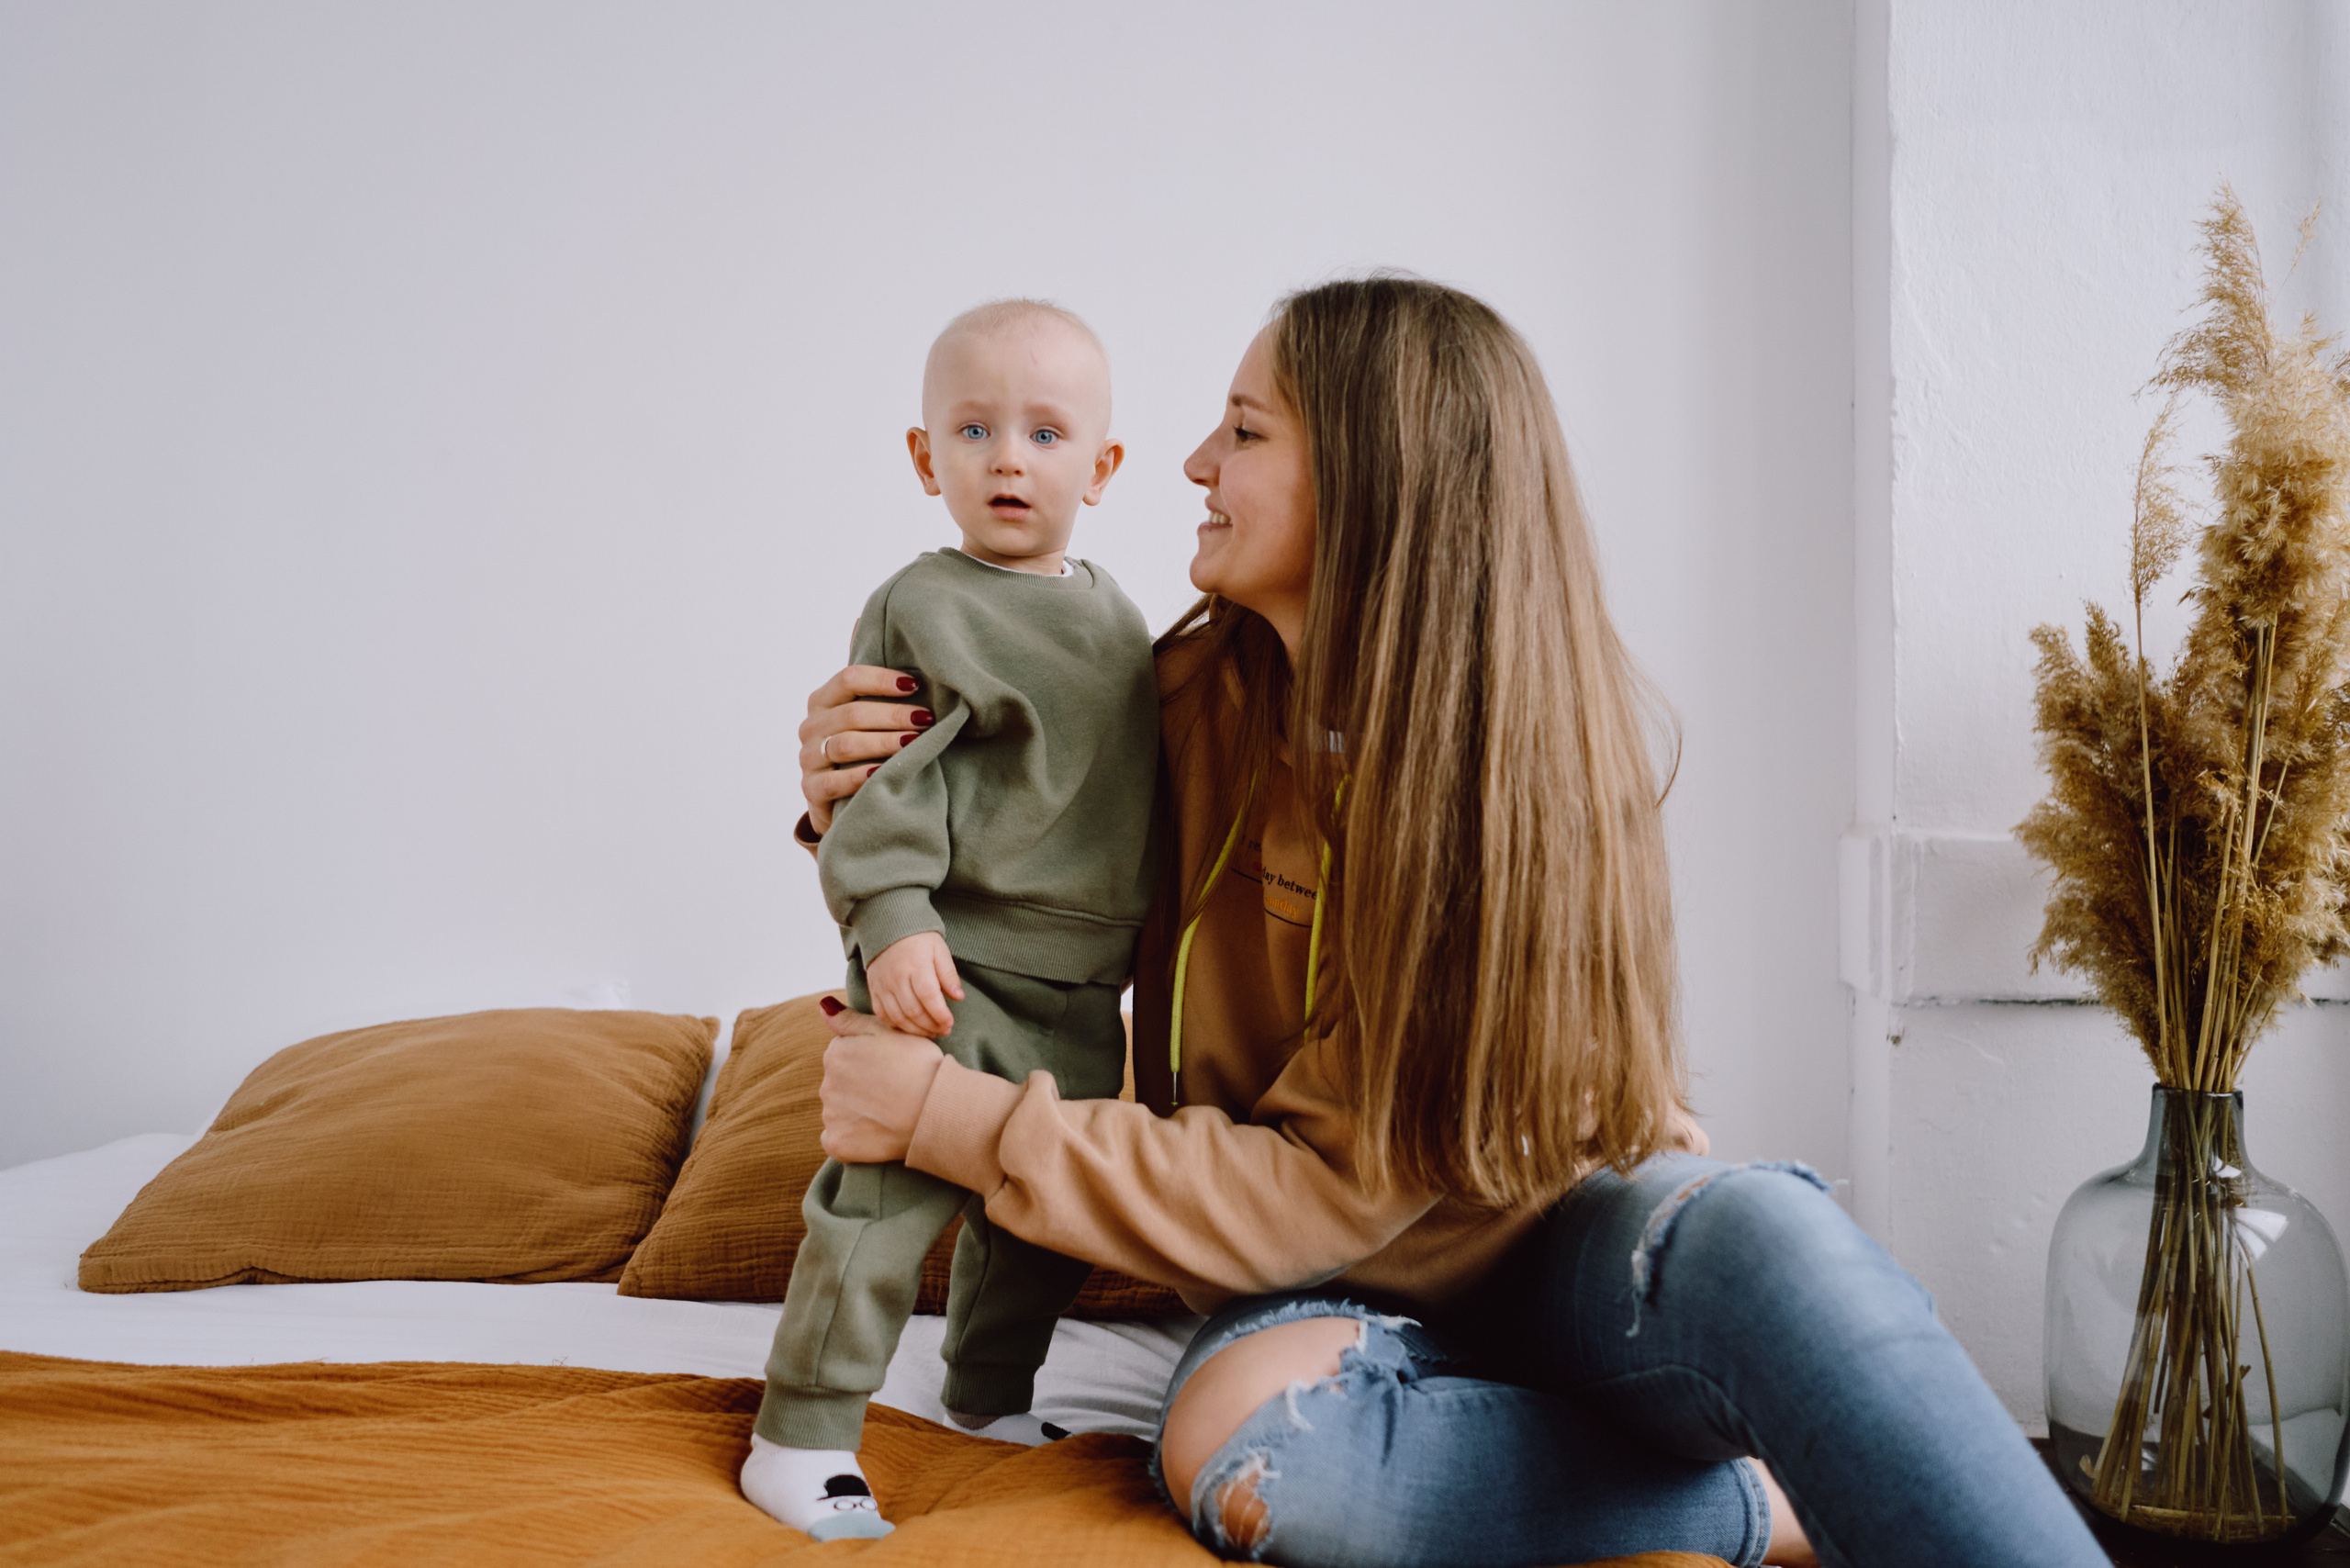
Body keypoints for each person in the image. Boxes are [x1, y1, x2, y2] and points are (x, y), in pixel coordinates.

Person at [782, 277, 2106, 1568]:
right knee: (1247, 1451)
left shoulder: (1536, 786)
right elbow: (1026, 852)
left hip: (1559, 1242)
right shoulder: (1181, 704)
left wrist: (948, 1122)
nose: (1194, 461)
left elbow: (1338, 1181)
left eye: (1243, 431)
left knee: (1773, 1241)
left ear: (1372, 483)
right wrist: (864, 784)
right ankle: (1753, 1506)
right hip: (1314, 1287)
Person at [740, 299, 1158, 1541]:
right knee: (878, 1212)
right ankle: (800, 1433)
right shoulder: (923, 607)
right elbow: (884, 788)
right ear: (926, 460)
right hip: (947, 966)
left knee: (1034, 1214)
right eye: (972, 430)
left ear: (1104, 465)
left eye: (1044, 431)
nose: (1008, 457)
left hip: (1082, 990)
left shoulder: (1123, 618)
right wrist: (894, 921)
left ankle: (986, 1395)